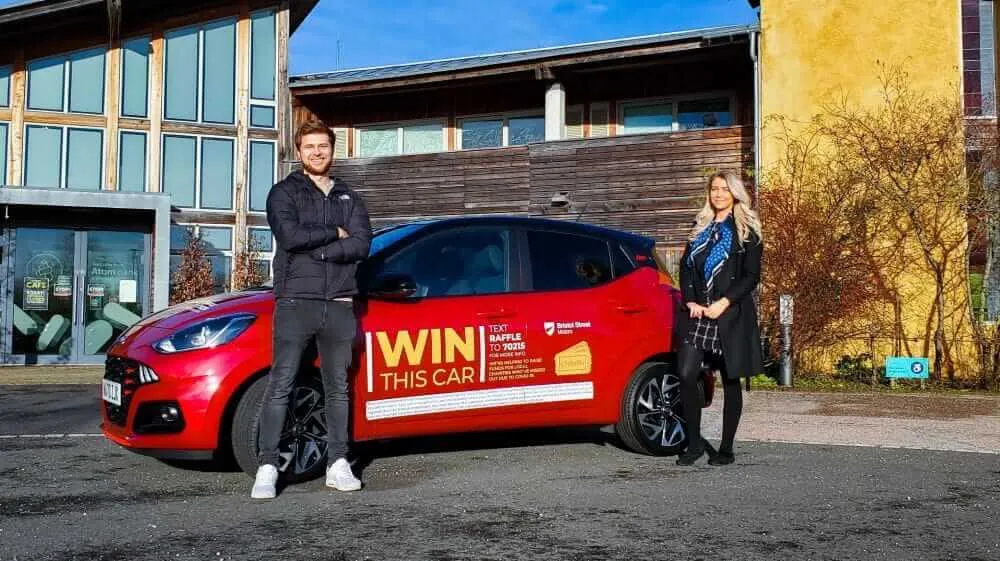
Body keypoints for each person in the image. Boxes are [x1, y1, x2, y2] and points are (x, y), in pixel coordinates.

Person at [251, 120, 372, 499]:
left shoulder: (349, 197)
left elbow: (361, 245)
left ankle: (338, 463)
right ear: (298, 151)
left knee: (338, 388)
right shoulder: (283, 193)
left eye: (324, 146)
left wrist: (318, 248)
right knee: (282, 383)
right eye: (310, 146)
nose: (318, 152)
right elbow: (289, 236)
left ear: (333, 150)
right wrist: (334, 233)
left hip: (338, 303)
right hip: (295, 302)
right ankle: (268, 466)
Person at [675, 171, 762, 466]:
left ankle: (726, 449)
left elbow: (752, 276)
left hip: (730, 314)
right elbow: (686, 267)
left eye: (725, 189)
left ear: (735, 193)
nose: (719, 194)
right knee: (686, 374)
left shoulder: (747, 229)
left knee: (731, 380)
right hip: (698, 314)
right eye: (714, 189)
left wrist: (724, 303)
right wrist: (690, 300)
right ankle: (695, 443)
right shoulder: (700, 226)